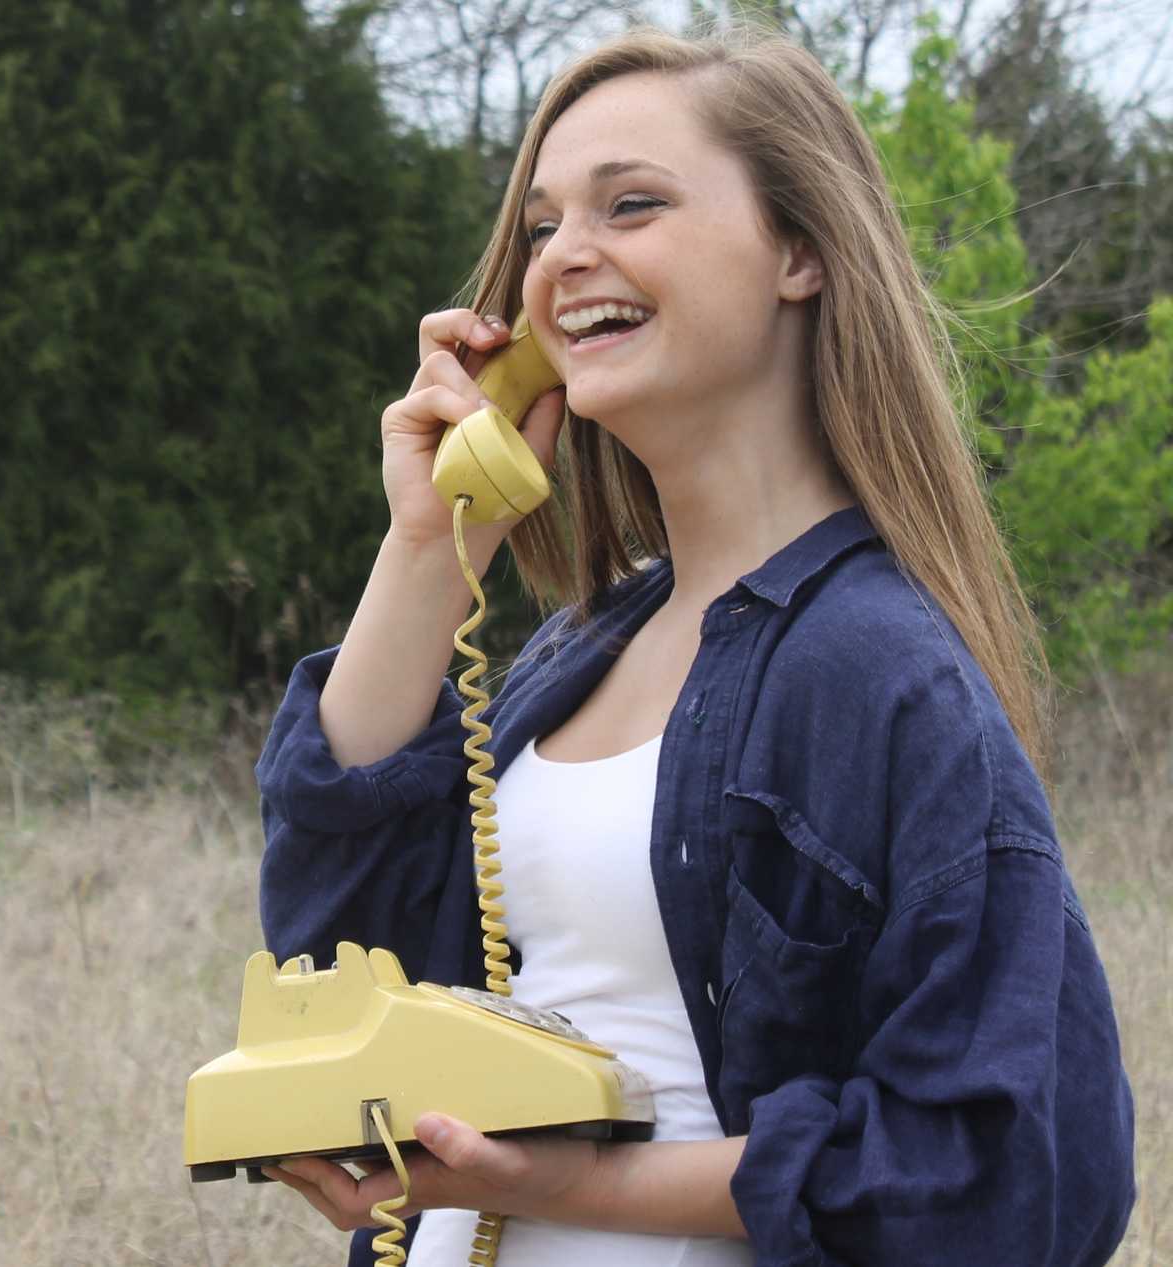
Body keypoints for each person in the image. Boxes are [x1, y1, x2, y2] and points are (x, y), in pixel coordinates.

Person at [252, 25, 1135, 1267]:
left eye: (633, 203)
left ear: (801, 251)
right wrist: (427, 544)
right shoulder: (575, 653)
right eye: (546, 224)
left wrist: (578, 1184)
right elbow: (333, 956)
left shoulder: (877, 671)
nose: (566, 257)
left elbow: (1006, 1170)